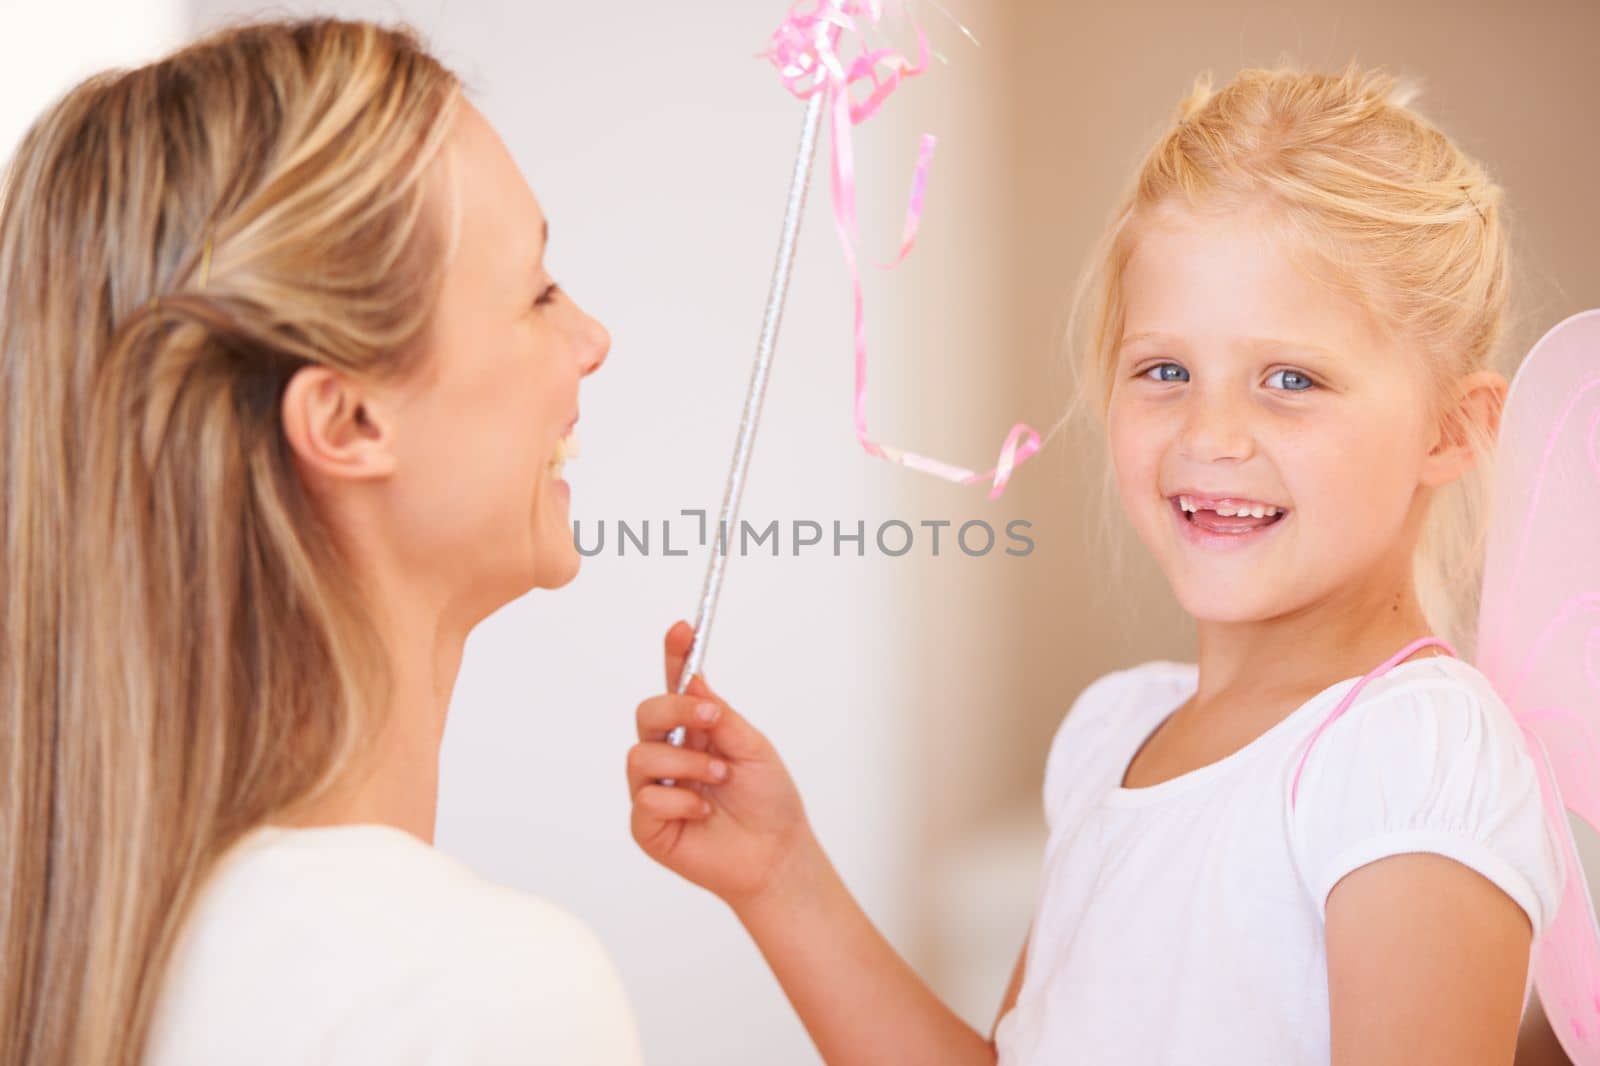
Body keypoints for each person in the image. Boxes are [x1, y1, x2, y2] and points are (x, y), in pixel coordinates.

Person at [626, 64, 1571, 1065]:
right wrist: (781, 873)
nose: (1209, 433)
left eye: (1289, 378)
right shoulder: (1110, 736)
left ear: (1451, 431)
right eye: (1164, 370)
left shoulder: (1408, 758)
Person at [0, 17, 637, 1066]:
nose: (591, 341)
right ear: (346, 422)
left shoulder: (83, 944)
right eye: (537, 292)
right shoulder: (473, 993)